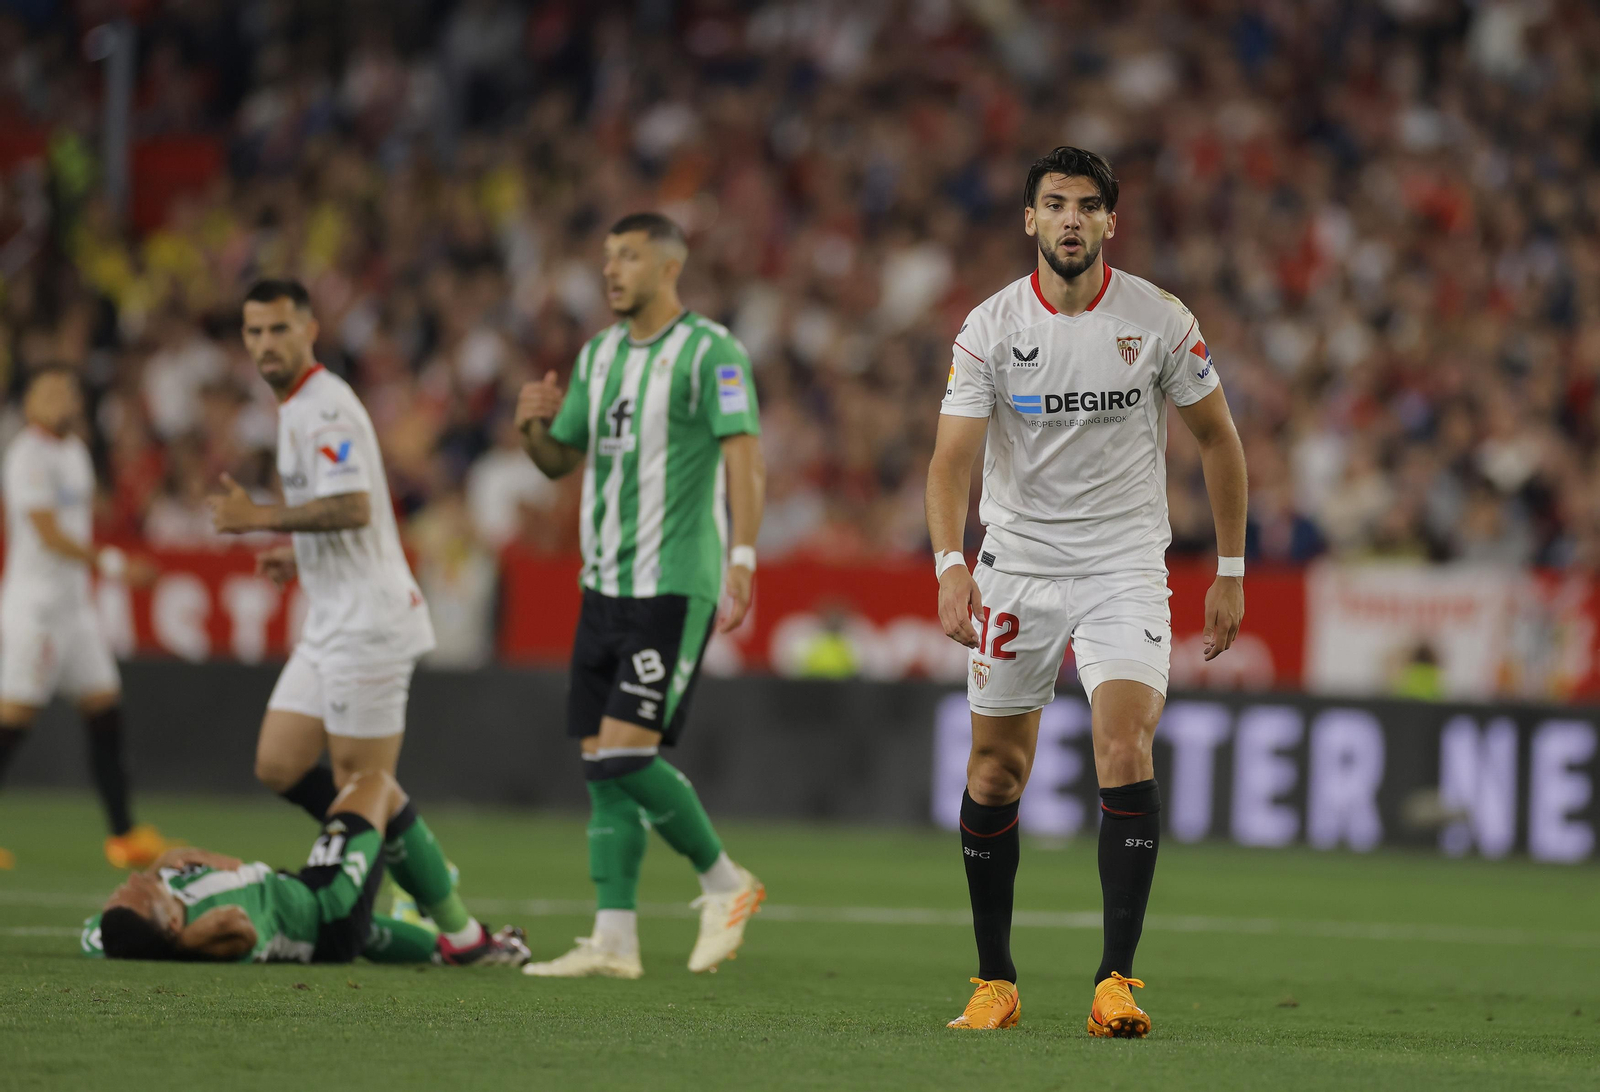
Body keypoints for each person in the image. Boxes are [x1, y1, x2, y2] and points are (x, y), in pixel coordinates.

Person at [925, 147, 1248, 1037]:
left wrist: (1229, 570)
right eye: (1055, 205)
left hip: (1123, 567)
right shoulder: (989, 328)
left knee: (1124, 743)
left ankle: (1115, 981)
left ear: (1112, 221)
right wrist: (951, 564)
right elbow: (951, 460)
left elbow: (1219, 441)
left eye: (1088, 206)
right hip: (1016, 567)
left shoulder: (1161, 320)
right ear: (1029, 220)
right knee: (996, 771)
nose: (1071, 219)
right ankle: (996, 980)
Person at [208, 279, 522, 965]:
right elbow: (349, 513)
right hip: (332, 617)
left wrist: (260, 518)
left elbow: (351, 505)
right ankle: (398, 853)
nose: (265, 344)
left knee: (365, 787)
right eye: (254, 332)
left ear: (311, 329)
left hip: (370, 623)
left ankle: (459, 934)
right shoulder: (293, 410)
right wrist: (300, 555)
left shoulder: (325, 409)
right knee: (281, 762)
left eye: (279, 330)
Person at [513, 212, 766, 978]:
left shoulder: (710, 351)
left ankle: (727, 882)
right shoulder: (597, 357)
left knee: (625, 752)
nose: (611, 270)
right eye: (606, 257)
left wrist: (744, 556)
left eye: (628, 256)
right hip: (603, 585)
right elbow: (561, 462)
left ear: (669, 265)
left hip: (671, 584)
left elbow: (744, 458)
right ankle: (614, 939)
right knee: (600, 763)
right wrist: (532, 430)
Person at [86, 768, 529, 966]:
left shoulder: (126, 926)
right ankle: (465, 935)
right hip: (326, 904)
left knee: (384, 939)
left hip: (314, 911)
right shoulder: (204, 931)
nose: (135, 880)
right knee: (376, 786)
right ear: (169, 926)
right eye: (141, 893)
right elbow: (239, 930)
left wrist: (161, 866)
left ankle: (450, 946)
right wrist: (182, 943)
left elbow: (94, 936)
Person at [0, 367, 167, 869]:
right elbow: (48, 533)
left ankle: (124, 835)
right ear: (30, 403)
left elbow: (80, 516)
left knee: (105, 710)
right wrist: (115, 564)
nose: (61, 399)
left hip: (76, 610)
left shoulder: (74, 452)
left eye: (68, 390)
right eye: (49, 391)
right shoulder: (27, 454)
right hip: (37, 610)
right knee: (14, 721)